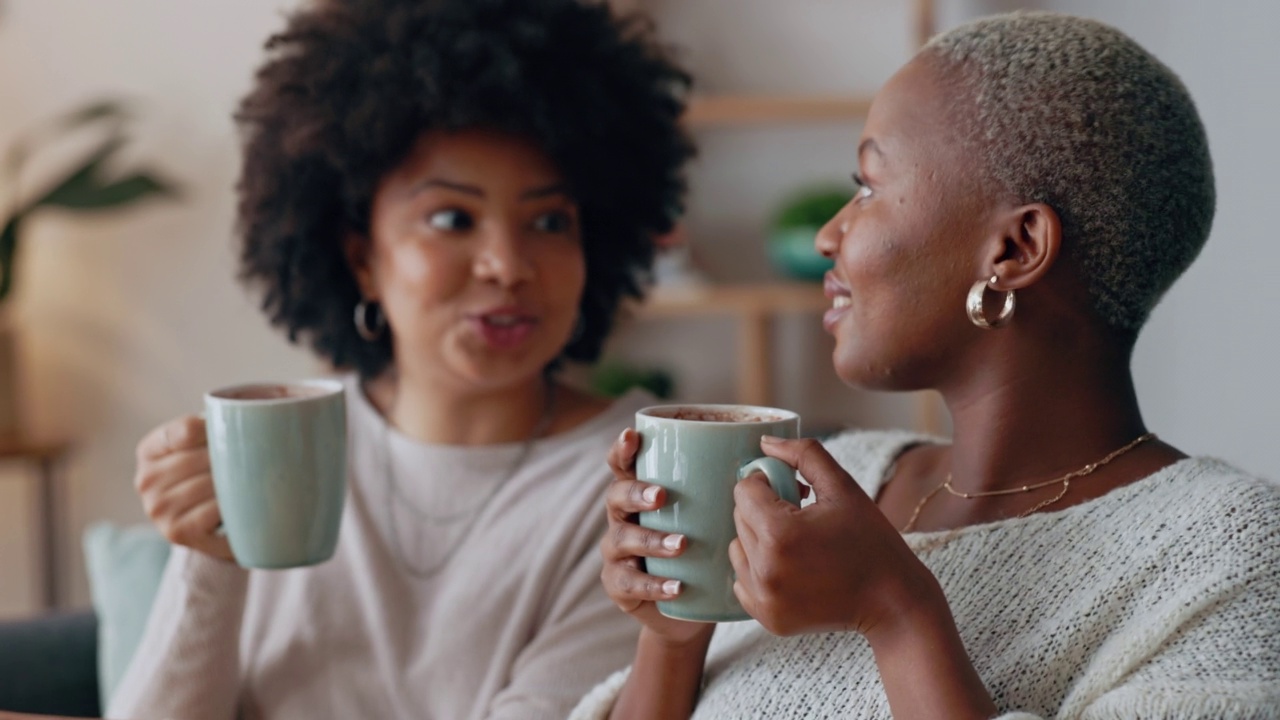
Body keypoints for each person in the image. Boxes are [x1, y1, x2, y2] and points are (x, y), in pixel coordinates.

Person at [578, 10, 1280, 720]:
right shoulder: (826, 488)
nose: (828, 235)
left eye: (868, 187)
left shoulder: (1227, 555)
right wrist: (675, 636)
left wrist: (895, 610)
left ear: (1014, 249)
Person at [110, 0, 694, 718]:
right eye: (452, 217)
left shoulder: (641, 473)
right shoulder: (275, 442)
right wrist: (209, 552)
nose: (507, 265)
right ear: (361, 257)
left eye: (549, 221)